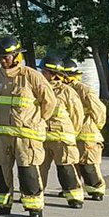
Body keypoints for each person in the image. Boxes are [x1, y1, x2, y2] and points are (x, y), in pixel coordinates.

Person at [0, 37, 57, 217]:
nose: (2, 60)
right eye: (0, 57)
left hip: (26, 135)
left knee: (28, 171)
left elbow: (49, 102)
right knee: (0, 171)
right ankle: (2, 203)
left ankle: (34, 206)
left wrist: (37, 121)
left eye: (6, 56)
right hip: (0, 135)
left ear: (17, 56)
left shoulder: (32, 76)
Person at [40, 54, 86, 208]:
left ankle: (74, 197)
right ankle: (34, 194)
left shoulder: (67, 91)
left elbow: (77, 116)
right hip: (41, 138)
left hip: (62, 139)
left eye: (44, 71)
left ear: (53, 73)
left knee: (66, 169)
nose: (42, 74)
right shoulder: (38, 89)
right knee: (37, 170)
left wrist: (71, 134)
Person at [66, 59, 108, 201]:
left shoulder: (82, 89)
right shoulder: (62, 89)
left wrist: (96, 127)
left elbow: (99, 110)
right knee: (72, 164)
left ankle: (96, 190)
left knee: (89, 165)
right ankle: (75, 188)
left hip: (86, 133)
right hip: (71, 134)